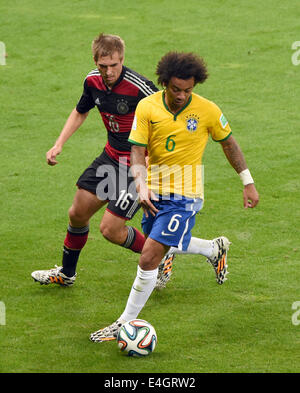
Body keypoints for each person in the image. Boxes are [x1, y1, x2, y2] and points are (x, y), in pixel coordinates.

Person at [90, 51, 259, 342]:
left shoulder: (207, 110)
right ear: (165, 83)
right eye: (176, 89)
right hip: (153, 188)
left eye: (188, 90)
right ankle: (212, 248)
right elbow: (137, 151)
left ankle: (125, 324)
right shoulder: (147, 107)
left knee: (149, 257)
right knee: (160, 245)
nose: (182, 96)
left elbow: (229, 144)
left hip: (185, 193)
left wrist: (248, 182)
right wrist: (141, 185)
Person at [31, 33, 174, 288]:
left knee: (111, 230)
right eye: (103, 66)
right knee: (77, 213)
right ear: (95, 61)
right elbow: (80, 111)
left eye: (114, 65)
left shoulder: (140, 87)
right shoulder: (92, 82)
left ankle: (160, 255)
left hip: (137, 165)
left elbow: (167, 122)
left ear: (122, 59)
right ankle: (67, 273)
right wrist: (58, 144)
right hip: (110, 158)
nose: (108, 72)